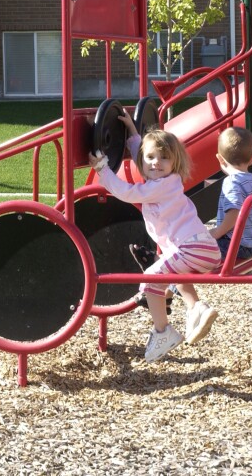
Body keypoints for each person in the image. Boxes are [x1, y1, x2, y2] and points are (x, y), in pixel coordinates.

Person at [90, 112, 221, 363]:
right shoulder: (168, 179)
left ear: (175, 162)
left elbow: (125, 192)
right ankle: (197, 309)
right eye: (151, 157)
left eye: (164, 158)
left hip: (191, 248)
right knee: (171, 273)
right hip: (200, 248)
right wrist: (132, 134)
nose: (156, 163)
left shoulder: (159, 186)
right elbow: (145, 160)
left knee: (150, 280)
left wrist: (102, 169)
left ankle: (163, 332)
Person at [208, 127, 252, 271]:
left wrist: (218, 232)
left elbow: (234, 213)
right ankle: (170, 288)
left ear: (219, 158)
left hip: (236, 244)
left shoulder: (231, 182)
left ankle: (174, 284)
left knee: (192, 250)